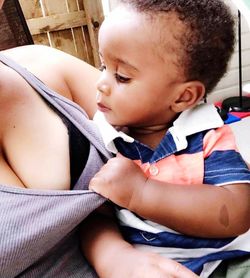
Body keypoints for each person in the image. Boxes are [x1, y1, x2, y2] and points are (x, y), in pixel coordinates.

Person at [0, 44, 198, 277]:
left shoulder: (44, 66)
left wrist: (115, 254)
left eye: (121, 76)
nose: (103, 84)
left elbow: (201, 156)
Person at [87, 0, 250, 277]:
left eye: (122, 77)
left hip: (227, 259)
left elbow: (238, 211)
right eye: (103, 66)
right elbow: (91, 216)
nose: (101, 82)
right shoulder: (102, 135)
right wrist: (112, 257)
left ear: (183, 97)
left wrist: (142, 192)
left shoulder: (206, 134)